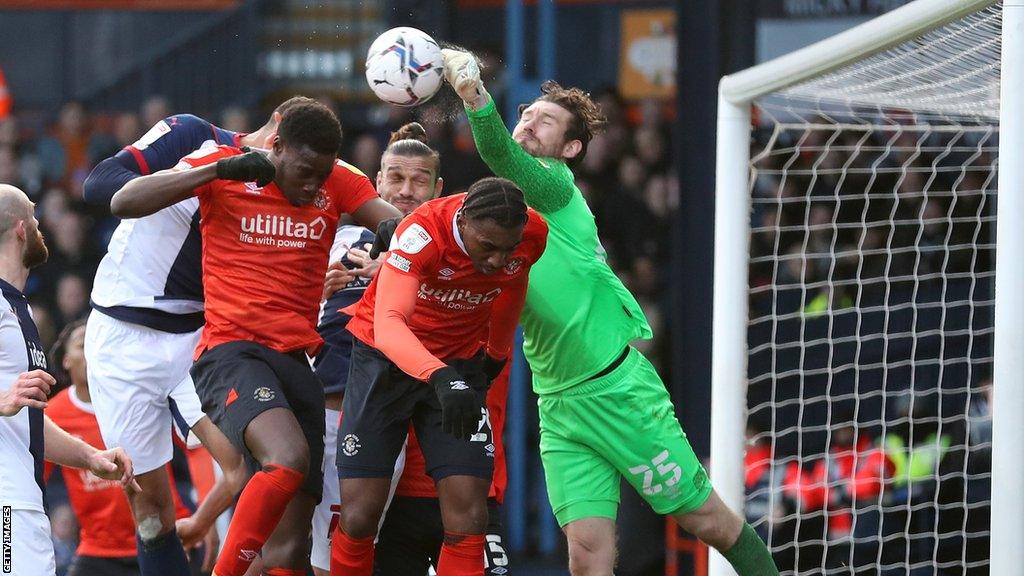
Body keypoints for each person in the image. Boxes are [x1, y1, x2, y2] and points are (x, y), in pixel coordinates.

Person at [442, 50, 779, 575]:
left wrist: (476, 99)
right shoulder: (500, 214)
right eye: (526, 113)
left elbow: (503, 157)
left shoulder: (555, 188)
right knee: (585, 557)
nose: (529, 121)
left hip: (617, 392)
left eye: (545, 120)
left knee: (706, 519)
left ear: (570, 148)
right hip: (557, 405)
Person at [110, 99, 398, 576]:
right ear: (276, 147)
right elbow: (123, 200)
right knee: (285, 461)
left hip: (296, 361)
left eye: (320, 176)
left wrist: (396, 231)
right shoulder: (223, 168)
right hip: (230, 353)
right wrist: (215, 172)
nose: (312, 185)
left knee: (291, 545)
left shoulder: (338, 179)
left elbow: (397, 221)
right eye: (303, 171)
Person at [80, 102, 282, 576]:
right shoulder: (191, 134)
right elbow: (99, 186)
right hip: (121, 335)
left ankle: (206, 537)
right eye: (287, 151)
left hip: (197, 339)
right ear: (273, 130)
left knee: (253, 466)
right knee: (151, 515)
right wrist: (210, 173)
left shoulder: (291, 185)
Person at [310, 123, 512, 576]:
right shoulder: (336, 243)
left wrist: (398, 272)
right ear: (376, 183)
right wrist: (312, 291)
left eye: (419, 181)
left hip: (452, 468)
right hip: (347, 434)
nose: (405, 191)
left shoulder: (478, 249)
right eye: (395, 180)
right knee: (300, 546)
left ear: (439, 189)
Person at [331, 177, 548, 576]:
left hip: (458, 360)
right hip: (386, 359)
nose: (498, 259)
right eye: (488, 247)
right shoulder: (421, 234)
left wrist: (497, 351)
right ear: (463, 221)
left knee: (469, 516)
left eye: (508, 248)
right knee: (360, 515)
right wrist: (439, 376)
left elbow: (513, 284)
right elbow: (390, 324)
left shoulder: (532, 233)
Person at [0, 183, 137, 576]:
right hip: (7, 501)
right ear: (21, 229)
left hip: (21, 499)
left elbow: (26, 422)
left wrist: (90, 457)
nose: (41, 221)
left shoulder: (17, 306)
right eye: (32, 212)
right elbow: (8, 403)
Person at [45, 319, 234, 576]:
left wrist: (205, 515)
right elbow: (32, 475)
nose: (91, 349)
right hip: (101, 551)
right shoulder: (54, 415)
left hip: (170, 532)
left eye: (94, 342)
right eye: (81, 344)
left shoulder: (142, 394)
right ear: (66, 360)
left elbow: (197, 448)